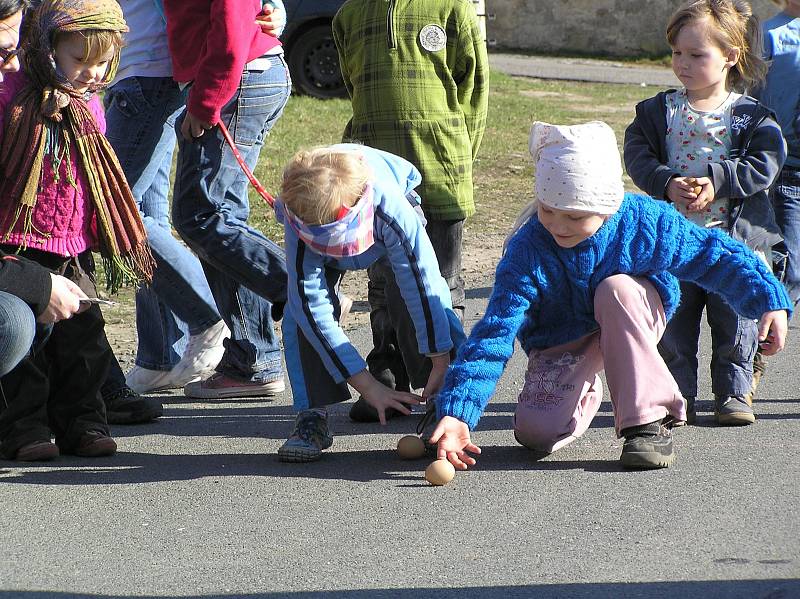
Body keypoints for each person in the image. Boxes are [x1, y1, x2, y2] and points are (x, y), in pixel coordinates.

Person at [427, 120, 790, 472]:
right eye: (548, 210)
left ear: (605, 206)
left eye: (573, 216)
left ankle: (645, 423)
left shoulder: (643, 222)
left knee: (615, 289)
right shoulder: (529, 248)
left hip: (631, 310)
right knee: (536, 434)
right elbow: (495, 334)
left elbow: (713, 254)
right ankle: (588, 385)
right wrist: (458, 412)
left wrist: (768, 299)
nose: (557, 225)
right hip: (563, 333)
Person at [0, 0, 154, 460]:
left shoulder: (90, 106)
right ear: (47, 51)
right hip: (19, 240)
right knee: (29, 348)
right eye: (79, 60)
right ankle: (24, 428)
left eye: (102, 62)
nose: (91, 72)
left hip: (72, 244)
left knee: (83, 339)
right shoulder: (12, 95)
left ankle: (84, 422)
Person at [623, 0, 785, 426]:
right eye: (678, 53)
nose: (683, 63)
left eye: (697, 55)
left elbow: (765, 163)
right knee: (673, 324)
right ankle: (675, 395)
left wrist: (717, 180)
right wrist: (665, 182)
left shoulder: (751, 116)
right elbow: (637, 154)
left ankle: (734, 392)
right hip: (673, 242)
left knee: (735, 321)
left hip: (733, 242)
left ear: (730, 57)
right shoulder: (658, 111)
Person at [332, 0, 488, 422]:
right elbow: (353, 83)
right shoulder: (350, 14)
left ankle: (447, 385)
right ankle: (389, 369)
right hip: (374, 174)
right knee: (383, 282)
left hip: (441, 167)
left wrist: (458, 151)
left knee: (441, 281)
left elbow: (473, 86)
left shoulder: (451, 8)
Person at [275, 144, 466, 462]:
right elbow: (310, 306)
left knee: (416, 297)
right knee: (300, 315)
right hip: (319, 231)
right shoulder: (301, 213)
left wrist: (440, 360)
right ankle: (312, 416)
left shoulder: (389, 207)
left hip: (379, 224)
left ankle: (443, 402)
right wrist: (368, 386)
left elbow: (423, 284)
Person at [162, 0, 290, 399]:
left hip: (234, 80)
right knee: (220, 218)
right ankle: (253, 362)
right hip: (237, 78)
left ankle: (306, 289)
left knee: (200, 215)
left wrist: (206, 101)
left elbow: (232, 26)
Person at [103, 0, 232, 395]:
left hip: (144, 77)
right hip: (148, 75)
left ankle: (206, 318)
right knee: (144, 214)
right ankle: (161, 357)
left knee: (113, 211)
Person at [750, 0, 800, 396]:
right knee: (790, 266)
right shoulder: (770, 34)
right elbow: (753, 100)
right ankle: (754, 354)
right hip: (790, 169)